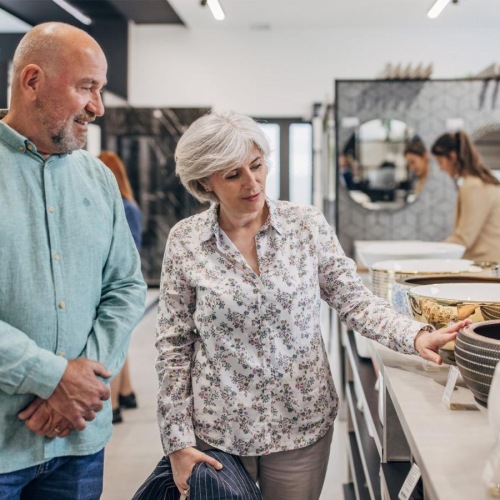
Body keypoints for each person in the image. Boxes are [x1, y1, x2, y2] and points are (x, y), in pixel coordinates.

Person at [155, 111, 468, 500]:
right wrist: (177, 441)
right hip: (219, 431)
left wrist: (415, 335)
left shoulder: (305, 226)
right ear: (204, 181)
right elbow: (173, 346)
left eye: (257, 165)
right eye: (233, 175)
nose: (252, 183)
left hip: (300, 422)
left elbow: (351, 298)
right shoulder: (185, 241)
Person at [0, 22, 146, 499]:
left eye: (100, 89)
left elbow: (125, 287)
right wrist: (54, 378)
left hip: (79, 445)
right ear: (33, 81)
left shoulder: (99, 180)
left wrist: (84, 385)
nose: (97, 106)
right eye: (87, 87)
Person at [99, 150, 143, 424]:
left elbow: (125, 251)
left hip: (117, 280)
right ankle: (126, 392)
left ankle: (114, 403)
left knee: (115, 343)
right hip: (118, 277)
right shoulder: (129, 204)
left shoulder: (124, 207)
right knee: (121, 342)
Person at [431, 130, 500, 262]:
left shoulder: (474, 186)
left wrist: (431, 254)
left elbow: (463, 238)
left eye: (440, 161)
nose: (440, 168)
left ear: (452, 157)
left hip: (485, 266)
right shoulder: (480, 182)